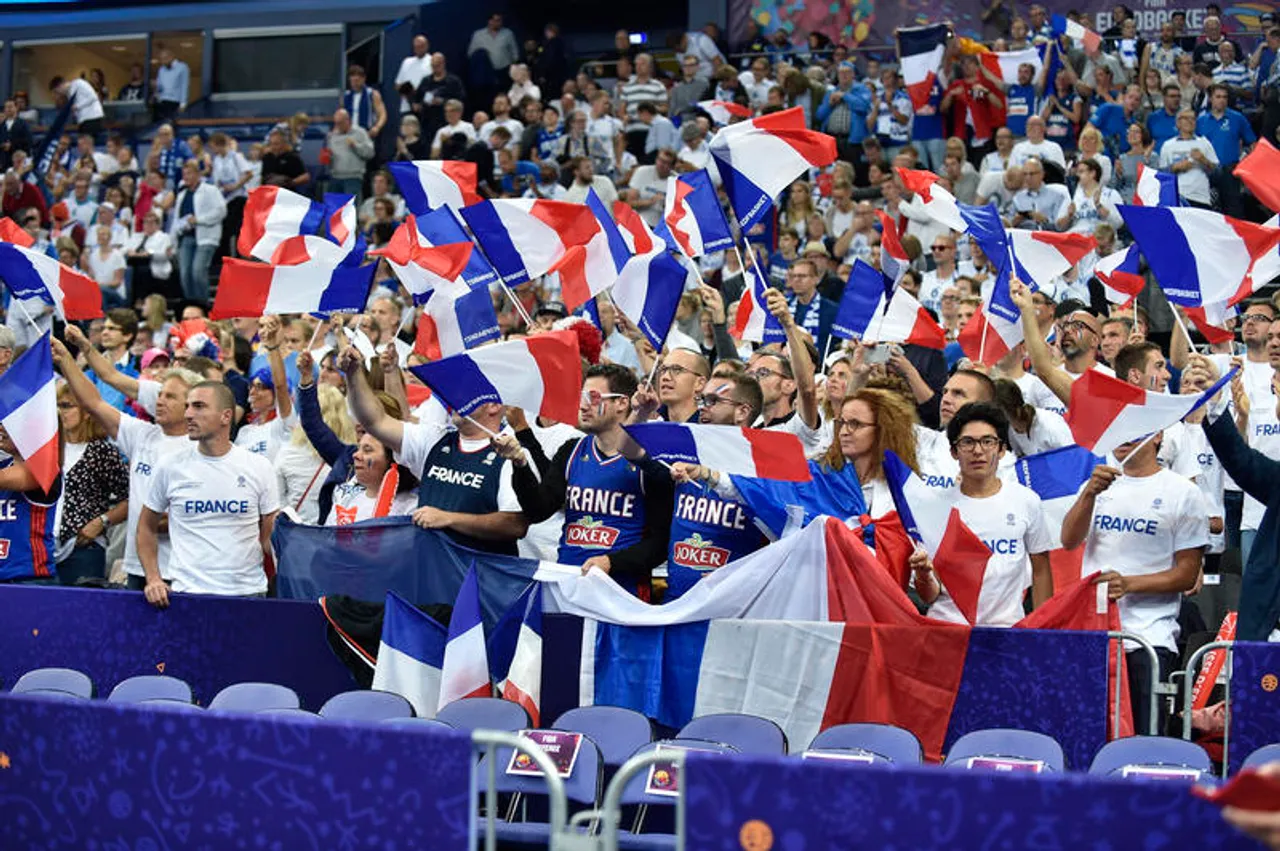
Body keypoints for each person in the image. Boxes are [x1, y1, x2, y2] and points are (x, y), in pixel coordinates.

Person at [1060, 431, 1207, 735]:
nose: (1125, 436)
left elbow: (1187, 574)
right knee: (1087, 737)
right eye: (1121, 428)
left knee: (1140, 738)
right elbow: (1068, 540)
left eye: (1138, 429)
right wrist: (1089, 494)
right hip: (1094, 636)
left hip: (1149, 638)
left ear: (1159, 437)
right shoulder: (1098, 485)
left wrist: (1129, 584)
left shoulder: (1183, 492)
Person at [497, 364, 673, 598]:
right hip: (568, 588)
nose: (582, 405)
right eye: (581, 396)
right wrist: (520, 464)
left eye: (593, 397)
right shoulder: (572, 450)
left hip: (621, 593)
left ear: (622, 403)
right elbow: (538, 509)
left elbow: (660, 542)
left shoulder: (648, 462)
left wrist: (611, 562)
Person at [340, 347, 528, 555]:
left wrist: (449, 518)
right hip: (431, 574)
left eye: (467, 393)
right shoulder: (435, 441)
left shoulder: (511, 453)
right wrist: (353, 374)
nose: (456, 398)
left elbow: (515, 524)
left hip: (478, 580)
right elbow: (375, 421)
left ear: (493, 406)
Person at [138, 381, 280, 608]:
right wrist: (153, 578)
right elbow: (145, 526)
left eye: (199, 406)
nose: (188, 414)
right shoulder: (169, 466)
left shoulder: (259, 467)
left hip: (248, 593)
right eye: (187, 406)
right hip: (187, 593)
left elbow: (270, 537)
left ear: (225, 416)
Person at [911, 402, 1054, 626]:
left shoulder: (1026, 501)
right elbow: (929, 595)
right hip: (947, 630)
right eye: (968, 442)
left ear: (1001, 449)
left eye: (987, 441)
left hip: (1006, 633)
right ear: (954, 452)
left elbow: (1041, 569)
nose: (978, 451)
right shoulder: (934, 506)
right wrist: (922, 575)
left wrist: (1044, 630)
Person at [659, 373, 768, 599]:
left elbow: (780, 542)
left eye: (713, 401)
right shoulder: (685, 450)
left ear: (742, 412)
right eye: (702, 400)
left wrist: (738, 577)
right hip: (675, 602)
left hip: (729, 608)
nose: (703, 409)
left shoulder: (761, 466)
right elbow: (634, 453)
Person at [49, 379, 129, 586]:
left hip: (84, 548)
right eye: (57, 406)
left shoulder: (102, 451)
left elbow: (130, 498)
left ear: (86, 411)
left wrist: (101, 522)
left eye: (66, 405)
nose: (60, 411)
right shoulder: (46, 449)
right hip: (43, 547)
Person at [235, 317, 297, 462]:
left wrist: (273, 347)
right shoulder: (244, 432)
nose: (252, 392)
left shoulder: (283, 423)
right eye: (251, 387)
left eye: (260, 387)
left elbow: (280, 385)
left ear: (274, 393)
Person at [170, 159, 226, 303]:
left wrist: (199, 219)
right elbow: (176, 220)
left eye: (189, 173)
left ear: (197, 174)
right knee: (185, 274)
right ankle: (191, 304)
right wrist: (172, 241)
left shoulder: (211, 190)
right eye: (184, 174)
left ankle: (203, 304)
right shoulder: (182, 195)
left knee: (198, 271)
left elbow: (221, 211)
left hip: (206, 237)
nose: (186, 177)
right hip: (186, 237)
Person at [1158, 108, 1218, 208]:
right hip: (1177, 197)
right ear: (1178, 123)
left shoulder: (1204, 143)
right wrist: (1174, 168)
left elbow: (1218, 174)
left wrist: (1204, 160)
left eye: (1193, 119)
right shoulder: (1168, 145)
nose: (1190, 121)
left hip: (1201, 198)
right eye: (1186, 118)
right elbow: (1161, 175)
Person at [326, 108, 375, 200]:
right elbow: (328, 156)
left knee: (350, 209)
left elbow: (370, 153)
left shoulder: (360, 133)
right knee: (334, 210)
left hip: (353, 177)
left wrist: (355, 145)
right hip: (335, 177)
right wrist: (328, 157)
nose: (337, 126)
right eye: (336, 123)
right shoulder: (332, 136)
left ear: (348, 120)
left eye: (340, 123)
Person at [342, 64, 387, 143]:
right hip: (349, 134)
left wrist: (377, 127)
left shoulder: (372, 94)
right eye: (353, 80)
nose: (355, 83)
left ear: (363, 79)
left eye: (358, 80)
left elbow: (382, 114)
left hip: (366, 133)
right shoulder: (346, 96)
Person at [152, 47, 190, 122]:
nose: (163, 61)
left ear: (171, 57)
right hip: (161, 101)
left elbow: (184, 85)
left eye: (165, 58)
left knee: (170, 124)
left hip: (174, 102)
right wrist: (155, 85)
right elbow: (160, 86)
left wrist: (183, 103)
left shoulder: (182, 67)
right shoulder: (161, 69)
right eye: (161, 59)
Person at [0, 98, 32, 173]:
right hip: (4, 162)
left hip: (18, 162)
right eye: (6, 107)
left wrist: (12, 145)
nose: (8, 109)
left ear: (16, 108)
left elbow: (29, 141)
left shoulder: (23, 124)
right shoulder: (1, 125)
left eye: (10, 107)